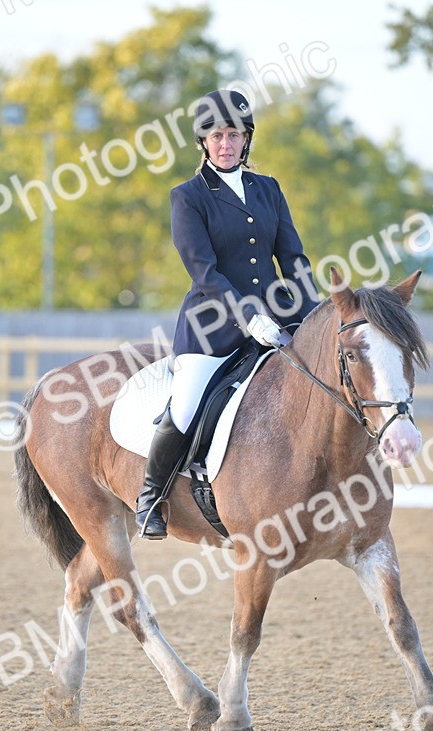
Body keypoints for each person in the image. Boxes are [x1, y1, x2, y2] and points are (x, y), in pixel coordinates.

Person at [135, 88, 321, 539]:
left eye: (234, 135)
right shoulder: (188, 197)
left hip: (278, 320)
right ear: (203, 142)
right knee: (184, 407)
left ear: (247, 139)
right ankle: (151, 495)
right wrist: (249, 316)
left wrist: (312, 315)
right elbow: (204, 271)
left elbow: (293, 259)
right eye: (217, 136)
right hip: (213, 326)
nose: (226, 144)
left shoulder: (269, 190)